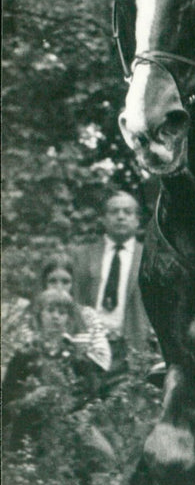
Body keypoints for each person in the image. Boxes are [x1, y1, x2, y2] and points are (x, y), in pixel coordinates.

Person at [2, 288, 109, 452]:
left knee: (104, 454)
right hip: (28, 431)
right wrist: (31, 397)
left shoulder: (77, 359)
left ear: (69, 320)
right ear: (39, 316)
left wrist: (69, 405)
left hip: (65, 432)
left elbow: (91, 398)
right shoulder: (24, 356)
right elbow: (6, 400)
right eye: (50, 310)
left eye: (62, 312)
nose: (56, 316)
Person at [71, 191, 155, 366]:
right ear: (103, 218)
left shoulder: (150, 258)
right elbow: (75, 299)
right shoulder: (83, 256)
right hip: (89, 347)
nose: (121, 217)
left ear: (137, 219)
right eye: (114, 211)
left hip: (132, 348)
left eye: (127, 212)